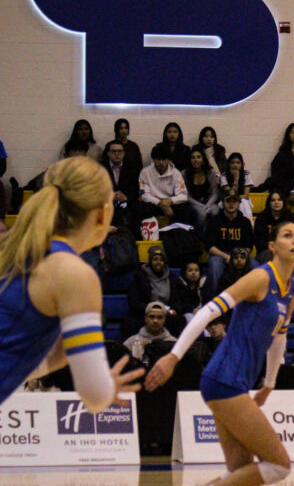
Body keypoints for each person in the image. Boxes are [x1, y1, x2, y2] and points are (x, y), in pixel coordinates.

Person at [139, 219, 294, 486]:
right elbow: (206, 313)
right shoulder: (260, 278)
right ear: (272, 246)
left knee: (240, 471)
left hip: (233, 382)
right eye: (287, 235)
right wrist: (173, 356)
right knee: (278, 465)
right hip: (224, 378)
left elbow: (279, 338)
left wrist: (270, 383)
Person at [0, 156, 143, 409]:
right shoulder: (74, 273)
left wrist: (64, 353)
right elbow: (94, 396)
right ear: (103, 214)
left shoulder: (15, 251)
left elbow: (12, 359)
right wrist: (106, 388)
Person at [122, 246, 185, 339]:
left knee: (180, 321)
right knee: (130, 323)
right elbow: (134, 300)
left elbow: (178, 298)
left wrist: (175, 310)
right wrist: (149, 309)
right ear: (150, 261)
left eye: (161, 259)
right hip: (145, 311)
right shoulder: (140, 277)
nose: (158, 262)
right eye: (155, 259)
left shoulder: (172, 278)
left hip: (166, 312)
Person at [203, 186, 255, 292]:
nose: (231, 204)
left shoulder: (245, 222)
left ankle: (251, 298)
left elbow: (249, 246)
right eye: (228, 201)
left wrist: (239, 256)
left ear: (239, 203)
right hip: (220, 255)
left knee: (255, 265)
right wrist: (226, 256)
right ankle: (217, 298)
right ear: (223, 203)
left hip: (240, 255)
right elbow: (209, 246)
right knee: (214, 265)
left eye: (234, 201)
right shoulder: (214, 221)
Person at [139, 143, 190, 225]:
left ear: (168, 159)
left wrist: (169, 201)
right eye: (158, 159)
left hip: (170, 204)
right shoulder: (145, 172)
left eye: (164, 159)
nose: (161, 162)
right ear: (153, 160)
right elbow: (144, 195)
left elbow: (184, 196)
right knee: (142, 206)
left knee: (185, 207)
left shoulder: (176, 173)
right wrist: (160, 204)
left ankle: (181, 230)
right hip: (154, 203)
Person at [102, 138, 141, 231]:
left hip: (126, 201)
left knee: (138, 206)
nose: (117, 154)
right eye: (113, 151)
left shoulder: (132, 167)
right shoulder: (100, 167)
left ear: (124, 153)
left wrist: (126, 197)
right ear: (108, 153)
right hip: (106, 201)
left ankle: (133, 236)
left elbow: (135, 189)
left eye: (119, 151)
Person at [182, 146, 220, 234]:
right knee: (202, 214)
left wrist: (207, 205)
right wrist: (201, 206)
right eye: (193, 157)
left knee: (215, 211)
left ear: (203, 159)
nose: (196, 160)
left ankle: (212, 235)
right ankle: (199, 235)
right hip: (193, 202)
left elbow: (215, 193)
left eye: (198, 157)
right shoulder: (184, 173)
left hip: (208, 201)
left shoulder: (210, 172)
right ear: (190, 160)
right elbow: (186, 195)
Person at [253, 189, 294, 257]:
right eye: (273, 200)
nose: (276, 202)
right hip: (266, 253)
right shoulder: (261, 218)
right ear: (269, 203)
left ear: (283, 202)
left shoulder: (290, 217)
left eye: (279, 200)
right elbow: (258, 241)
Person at [223, 152, 254, 222]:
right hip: (227, 199)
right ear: (229, 164)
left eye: (238, 162)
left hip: (243, 198)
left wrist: (237, 198)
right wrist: (236, 179)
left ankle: (248, 225)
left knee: (243, 204)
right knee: (225, 204)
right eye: (232, 162)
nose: (235, 165)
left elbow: (245, 195)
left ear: (242, 164)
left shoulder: (247, 174)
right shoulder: (224, 175)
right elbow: (230, 194)